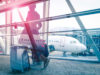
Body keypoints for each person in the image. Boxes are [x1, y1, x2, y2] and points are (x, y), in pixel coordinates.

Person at [25, 3, 49, 68]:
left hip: (34, 33)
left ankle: (43, 59)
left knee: (35, 47)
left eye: (31, 7)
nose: (30, 8)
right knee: (33, 47)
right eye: (29, 7)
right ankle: (36, 60)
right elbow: (26, 23)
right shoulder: (29, 13)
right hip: (31, 33)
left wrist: (35, 29)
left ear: (34, 7)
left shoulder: (36, 14)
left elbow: (40, 25)